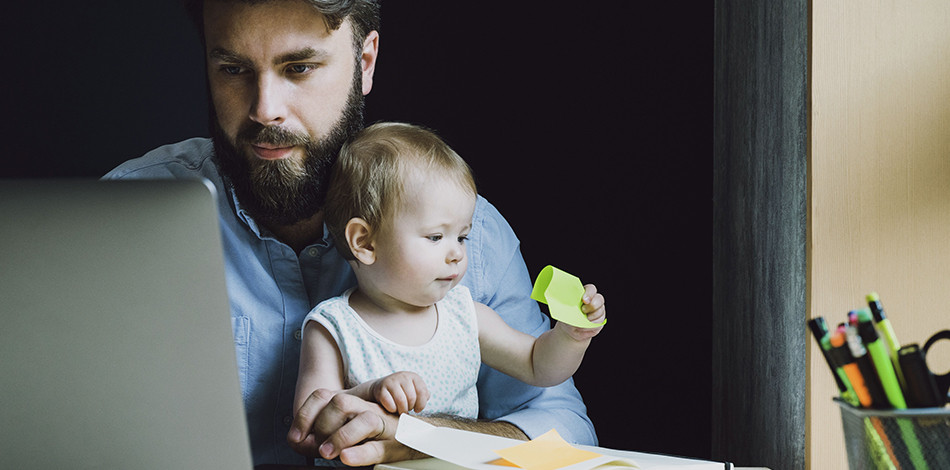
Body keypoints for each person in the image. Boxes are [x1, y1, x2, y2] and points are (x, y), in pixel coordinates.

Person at [103, 0, 597, 466]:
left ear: (365, 62)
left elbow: (563, 429)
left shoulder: (469, 233)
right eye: (232, 69)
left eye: (298, 68)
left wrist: (418, 439)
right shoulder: (121, 217)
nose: (264, 110)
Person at [293, 122, 606, 444]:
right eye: (435, 237)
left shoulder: (464, 314)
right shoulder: (334, 326)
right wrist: (371, 391)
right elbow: (310, 423)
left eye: (463, 236)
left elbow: (538, 366)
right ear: (366, 243)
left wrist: (570, 336)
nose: (456, 253)